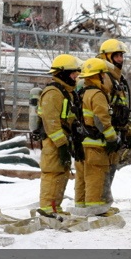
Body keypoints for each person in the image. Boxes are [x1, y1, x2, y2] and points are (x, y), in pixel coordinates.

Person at [73, 58, 119, 217]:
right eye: (103, 75)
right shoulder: (97, 94)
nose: (105, 77)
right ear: (98, 76)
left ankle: (81, 206)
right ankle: (96, 209)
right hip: (95, 144)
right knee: (96, 176)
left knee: (82, 177)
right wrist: (112, 139)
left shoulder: (81, 92)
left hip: (81, 143)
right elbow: (102, 120)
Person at [38, 54, 82, 217]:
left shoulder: (67, 92)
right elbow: (51, 122)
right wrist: (61, 144)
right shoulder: (53, 92)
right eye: (73, 72)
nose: (76, 76)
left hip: (63, 139)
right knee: (52, 172)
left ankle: (55, 207)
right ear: (63, 73)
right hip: (53, 141)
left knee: (62, 173)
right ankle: (47, 208)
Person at [97, 39, 131, 206]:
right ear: (106, 56)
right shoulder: (103, 77)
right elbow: (99, 108)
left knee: (110, 168)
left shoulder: (118, 79)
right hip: (104, 133)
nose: (120, 59)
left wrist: (128, 130)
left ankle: (103, 202)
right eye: (116, 55)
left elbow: (123, 107)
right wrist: (107, 133)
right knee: (101, 170)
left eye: (121, 55)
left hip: (115, 131)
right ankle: (97, 203)